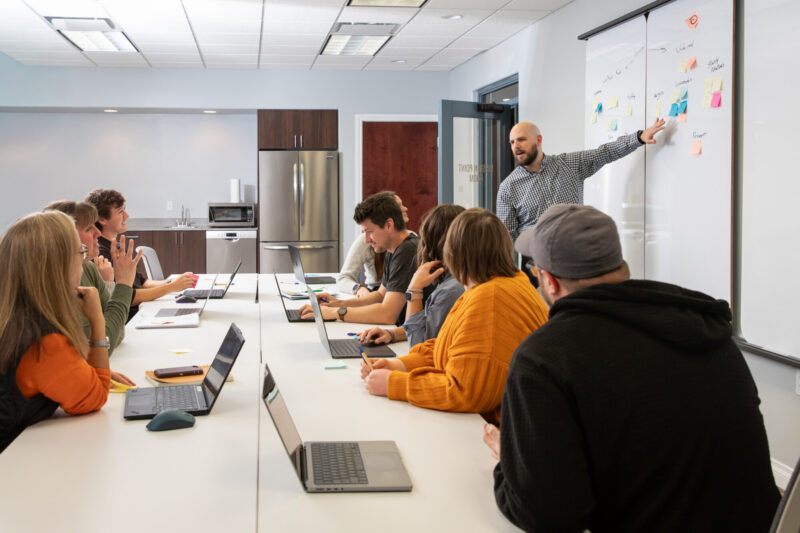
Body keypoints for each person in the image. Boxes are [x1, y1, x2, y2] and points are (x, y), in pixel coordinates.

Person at [484, 204, 780, 532]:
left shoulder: (544, 358)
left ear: (550, 282)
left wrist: (510, 466)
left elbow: (549, 515)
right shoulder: (708, 331)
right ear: (621, 266)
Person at [359, 208, 549, 425]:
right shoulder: (493, 285)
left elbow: (465, 391)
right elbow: (449, 347)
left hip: (487, 433)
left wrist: (395, 383)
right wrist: (401, 365)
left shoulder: (490, 297)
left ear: (453, 254)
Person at [497, 119, 665, 284]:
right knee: (539, 310)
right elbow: (506, 238)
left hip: (576, 252)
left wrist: (638, 138)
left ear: (538, 140)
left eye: (521, 140)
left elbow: (604, 153)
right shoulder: (508, 187)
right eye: (512, 142)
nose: (515, 146)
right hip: (536, 261)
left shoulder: (568, 164)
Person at [0, 211, 114, 452]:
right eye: (80, 253)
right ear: (57, 265)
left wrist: (82, 369)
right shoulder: (45, 343)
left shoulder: (14, 318)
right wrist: (97, 320)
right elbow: (94, 397)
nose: (84, 262)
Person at [300, 192, 419, 325]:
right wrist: (337, 303)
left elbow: (388, 315)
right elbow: (380, 296)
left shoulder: (408, 251)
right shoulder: (394, 249)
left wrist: (336, 312)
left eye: (370, 232)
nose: (367, 240)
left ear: (388, 225)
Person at [357, 204, 466, 348]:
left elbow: (418, 345)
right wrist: (393, 334)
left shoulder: (451, 290)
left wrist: (415, 290)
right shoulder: (451, 281)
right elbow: (428, 324)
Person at [44, 201, 141, 356]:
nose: (98, 233)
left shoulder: (88, 268)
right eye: (89, 228)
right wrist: (123, 284)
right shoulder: (54, 281)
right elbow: (105, 341)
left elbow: (117, 332)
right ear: (66, 236)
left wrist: (110, 285)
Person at [85, 189, 195, 321]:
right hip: (131, 318)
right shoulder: (101, 254)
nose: (127, 215)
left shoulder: (116, 246)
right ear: (102, 219)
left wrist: (173, 282)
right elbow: (128, 296)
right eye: (121, 211)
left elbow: (142, 282)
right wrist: (171, 287)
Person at [335, 192, 410, 298]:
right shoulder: (390, 250)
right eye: (399, 206)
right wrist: (357, 289)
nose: (405, 208)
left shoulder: (407, 248)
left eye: (369, 231)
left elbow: (388, 310)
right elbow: (380, 297)